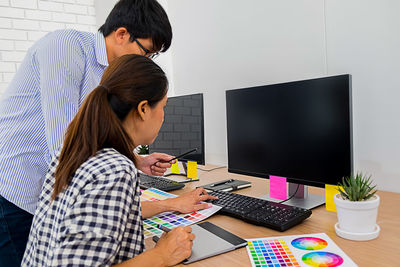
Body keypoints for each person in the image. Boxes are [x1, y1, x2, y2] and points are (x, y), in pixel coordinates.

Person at [0, 1, 179, 265]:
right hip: (17, 191)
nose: (147, 62)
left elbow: (93, 139)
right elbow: (66, 143)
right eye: (147, 52)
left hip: (54, 189)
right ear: (121, 34)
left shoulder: (112, 74)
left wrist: (137, 161)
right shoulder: (65, 47)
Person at [22, 54, 216, 266]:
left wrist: (170, 204)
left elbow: (101, 214)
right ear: (143, 109)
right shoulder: (115, 170)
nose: (163, 115)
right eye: (163, 106)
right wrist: (162, 254)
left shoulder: (72, 150)